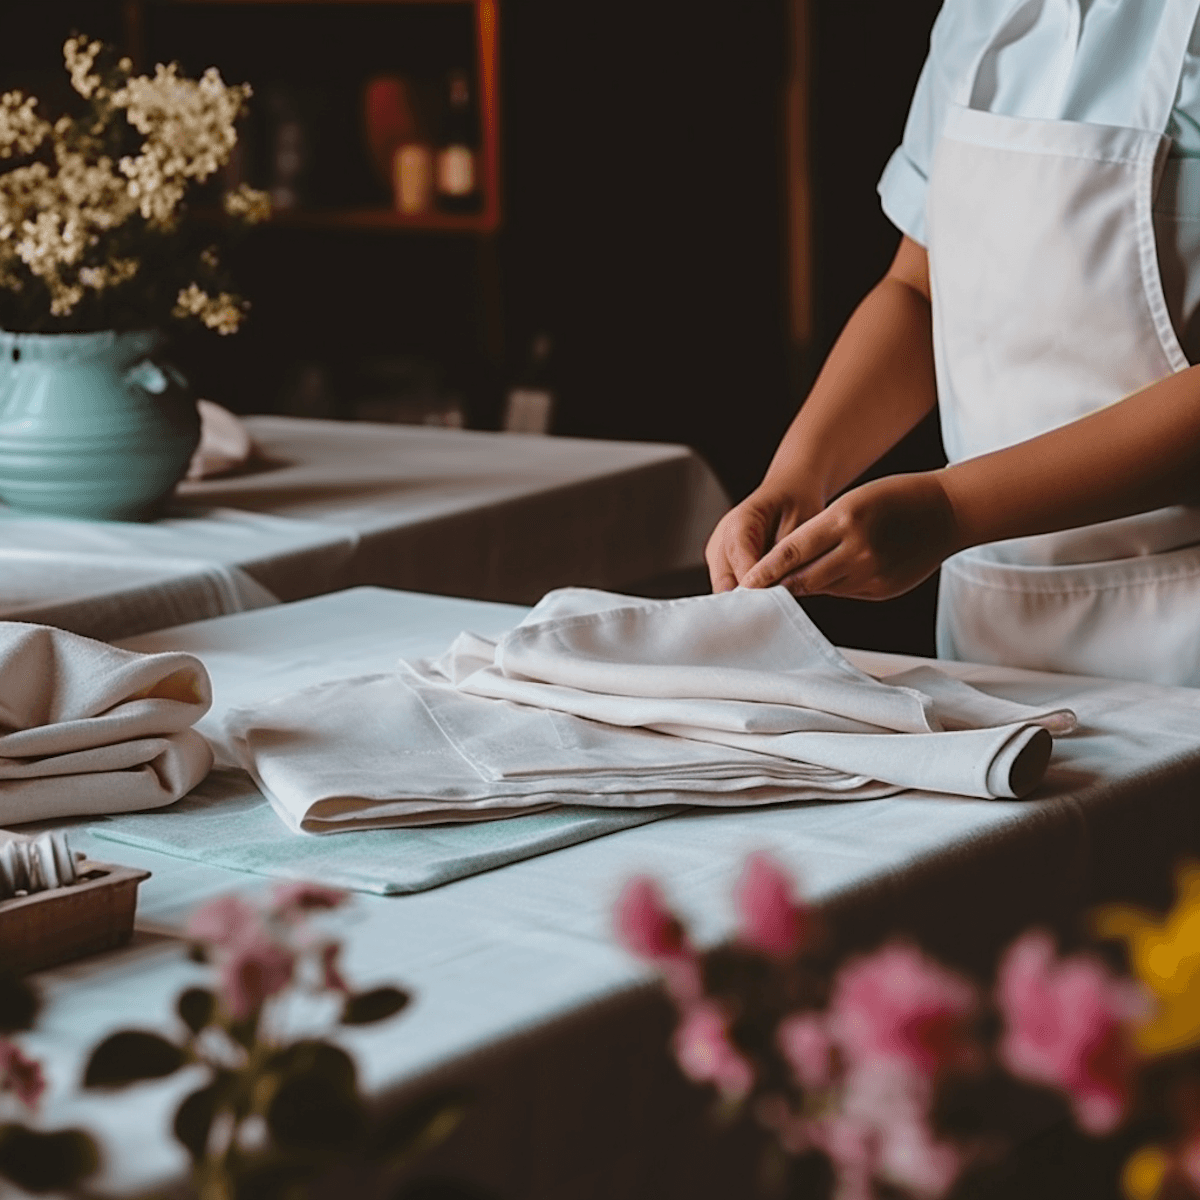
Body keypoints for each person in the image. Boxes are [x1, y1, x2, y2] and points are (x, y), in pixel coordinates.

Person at [706, 0, 1200, 687]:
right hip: (992, 639)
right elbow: (918, 286)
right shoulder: (979, 15)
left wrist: (953, 509)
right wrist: (797, 477)